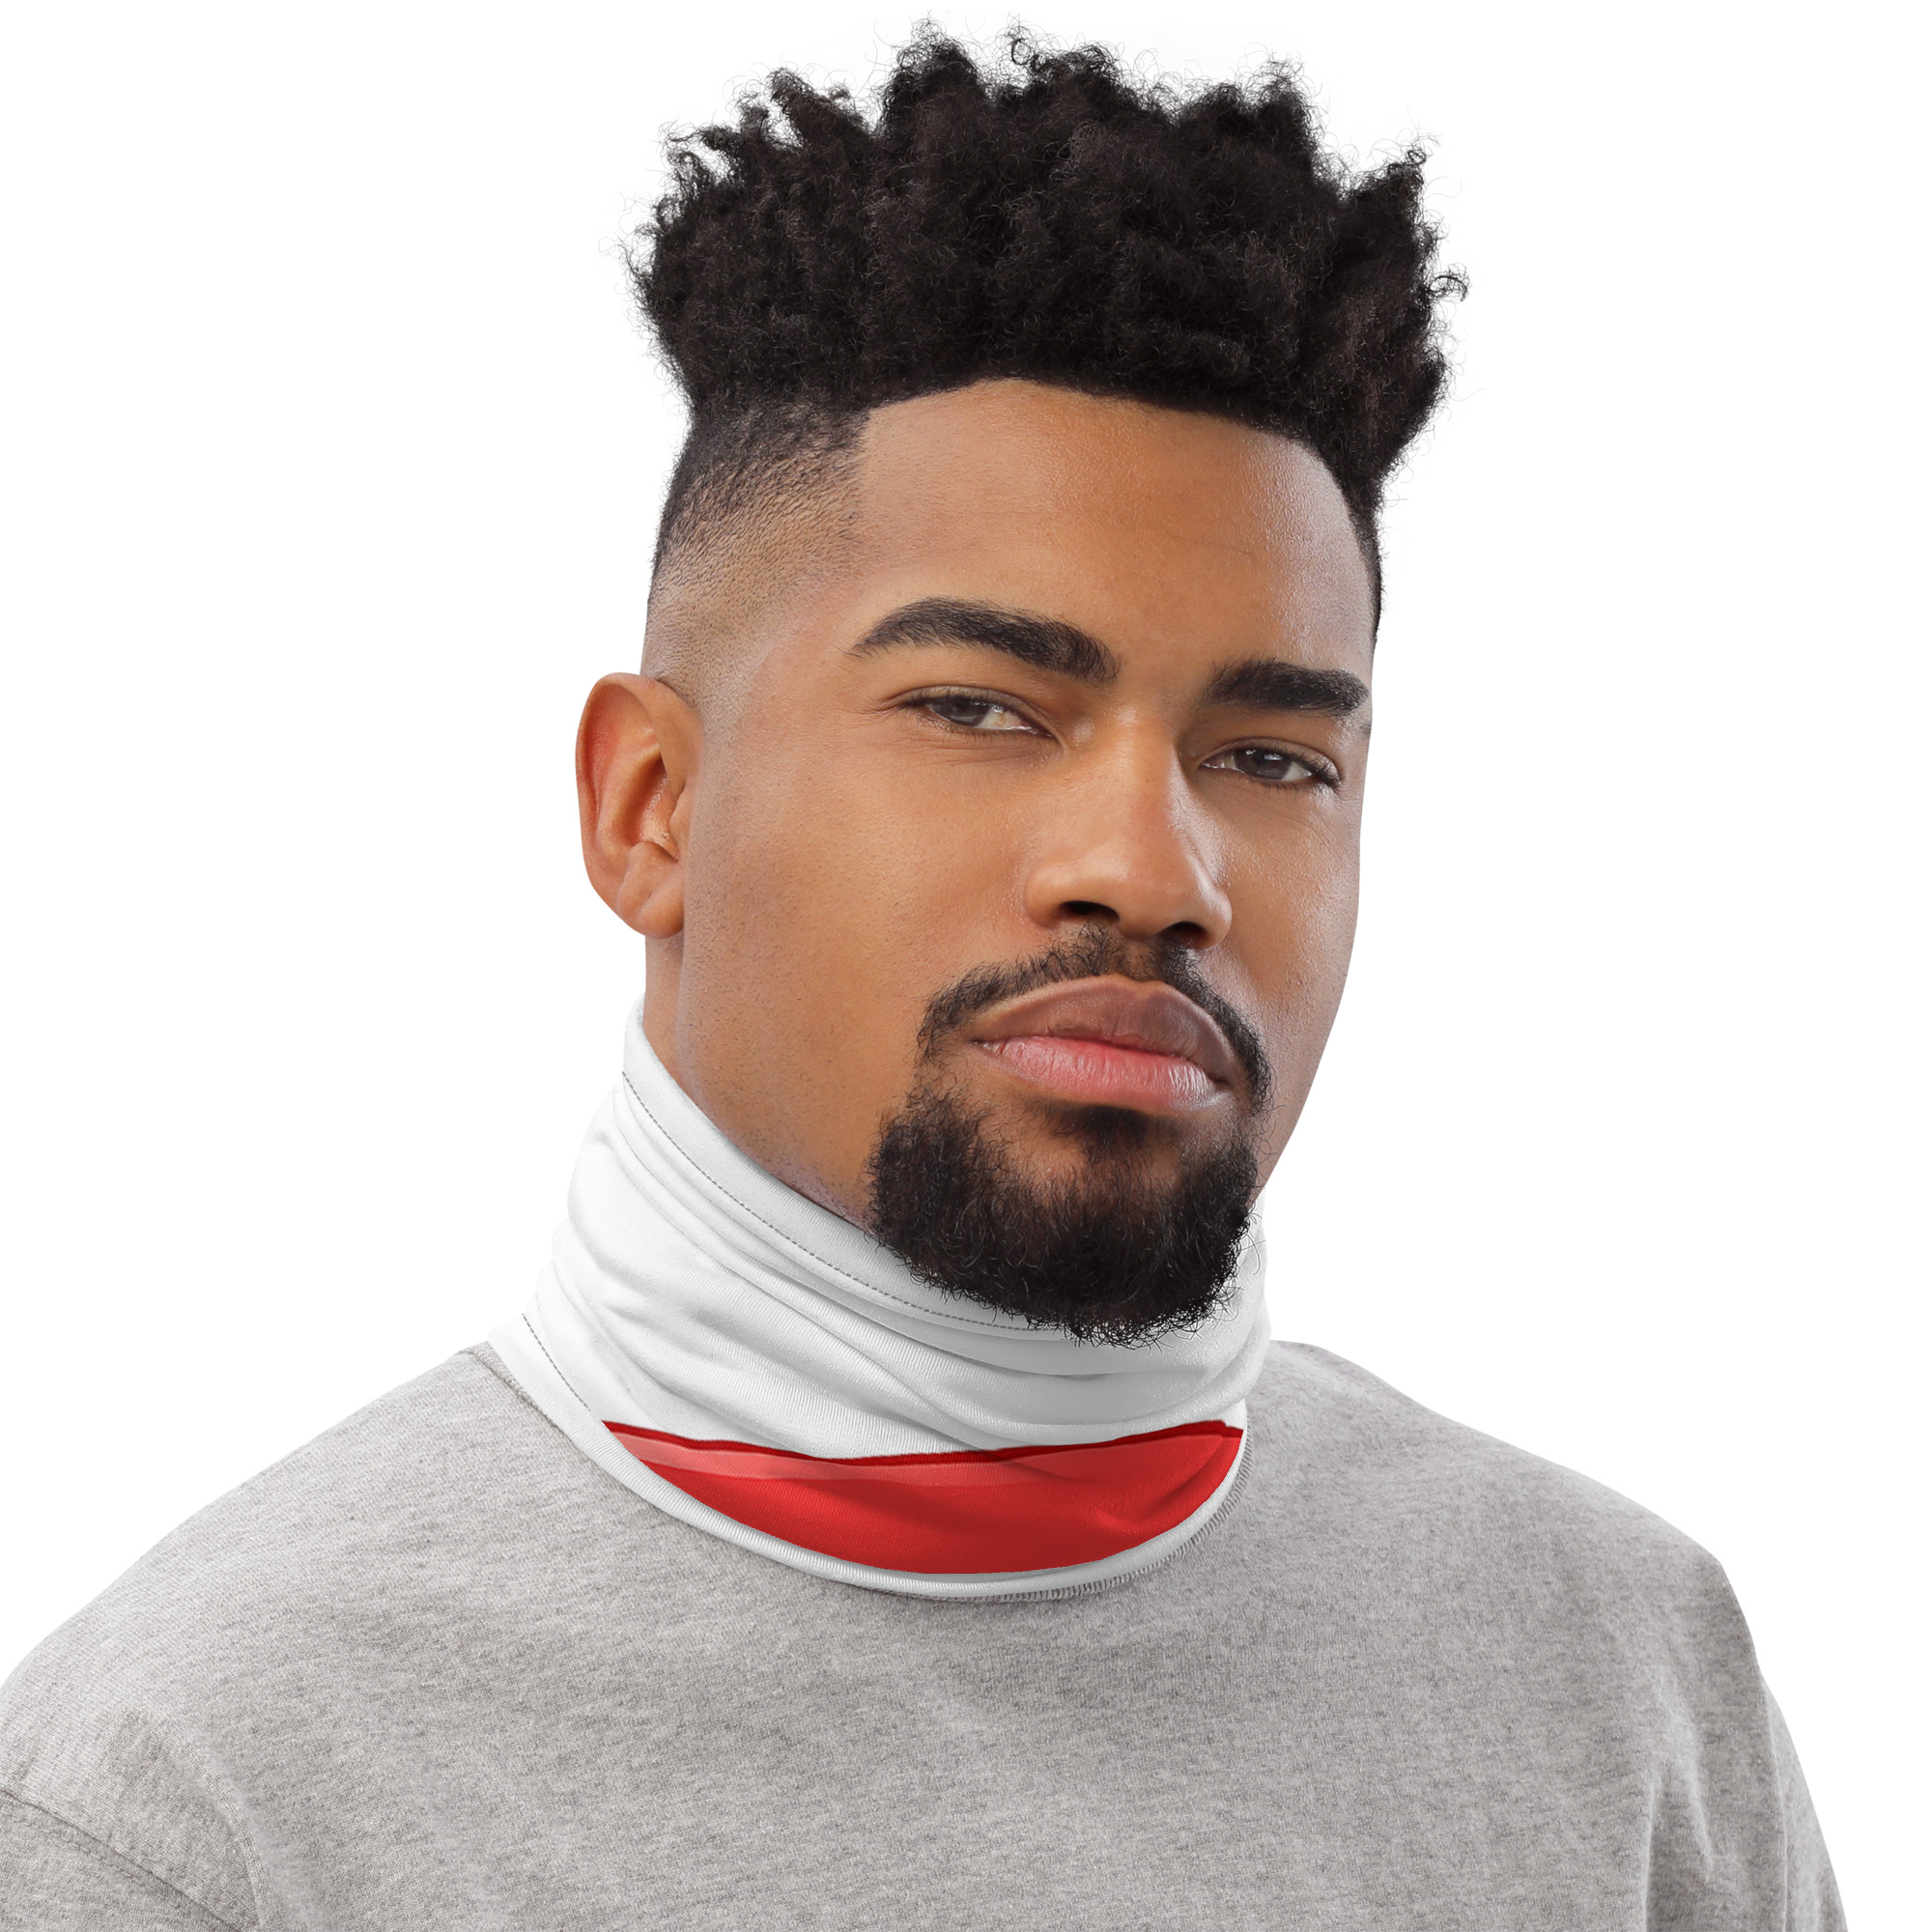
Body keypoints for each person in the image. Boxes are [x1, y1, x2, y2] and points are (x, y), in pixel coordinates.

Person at [0, 30, 1842, 1928]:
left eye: (1272, 756)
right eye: (979, 708)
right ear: (649, 808)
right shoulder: (190, 1799)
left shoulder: (1623, 1679)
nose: (1154, 870)